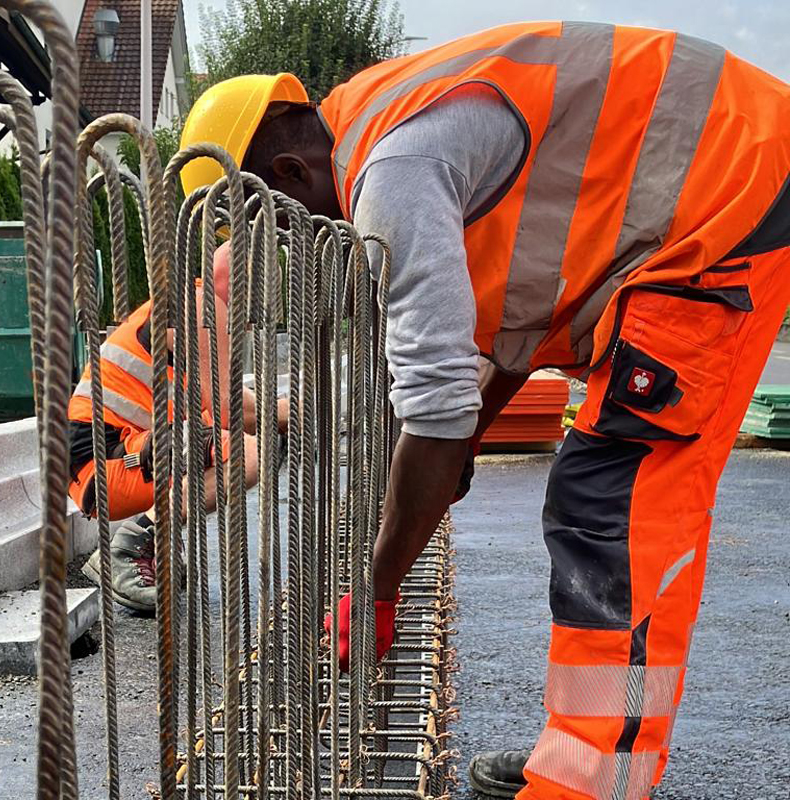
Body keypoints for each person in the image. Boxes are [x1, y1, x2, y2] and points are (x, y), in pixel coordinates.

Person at [178, 21, 790, 800]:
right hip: (720, 185)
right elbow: (512, 331)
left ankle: (587, 783)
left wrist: (379, 586)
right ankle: (575, 759)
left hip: (728, 199)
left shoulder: (393, 174)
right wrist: (468, 438)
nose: (294, 245)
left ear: (290, 172)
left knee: (615, 508)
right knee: (601, 500)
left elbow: (436, 410)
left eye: (276, 223)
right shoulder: (379, 118)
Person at [68, 243, 288, 613]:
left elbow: (238, 403)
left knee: (227, 436)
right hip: (105, 462)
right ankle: (131, 547)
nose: (255, 321)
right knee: (246, 454)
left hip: (121, 451)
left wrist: (289, 411)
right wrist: (299, 411)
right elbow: (232, 411)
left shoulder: (191, 303)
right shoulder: (203, 309)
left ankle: (158, 544)